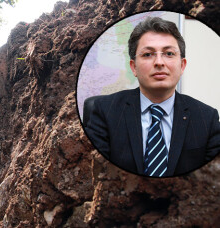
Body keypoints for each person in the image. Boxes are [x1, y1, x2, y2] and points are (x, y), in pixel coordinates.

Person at [84, 17, 220, 177]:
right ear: (133, 67)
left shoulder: (207, 118)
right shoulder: (104, 111)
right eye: (148, 54)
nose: (159, 62)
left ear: (182, 65)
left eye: (169, 53)